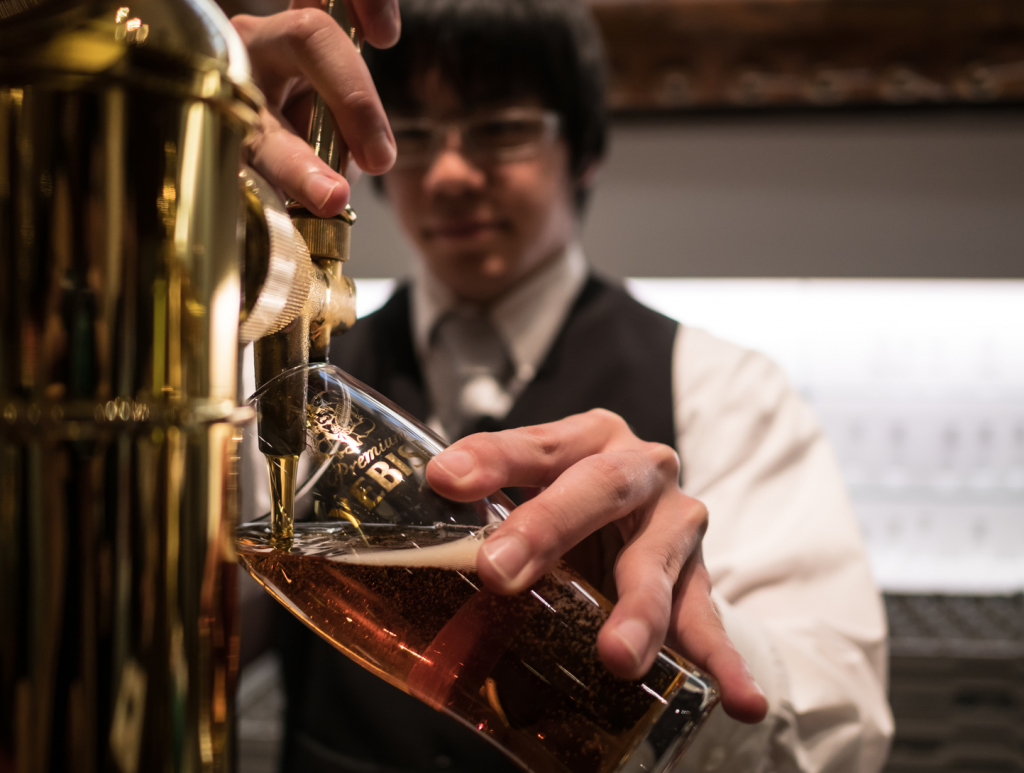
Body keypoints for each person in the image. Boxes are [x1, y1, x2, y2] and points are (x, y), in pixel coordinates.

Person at [232, 0, 894, 770]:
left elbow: (843, 727)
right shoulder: (283, 384)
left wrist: (678, 653)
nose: (447, 174)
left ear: (583, 149)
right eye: (412, 136)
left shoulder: (721, 386)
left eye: (499, 131)